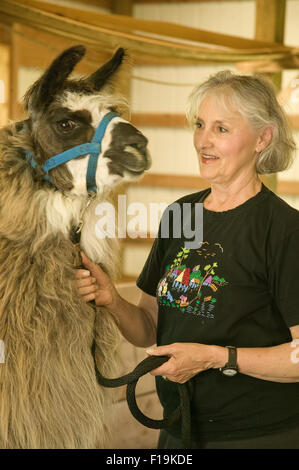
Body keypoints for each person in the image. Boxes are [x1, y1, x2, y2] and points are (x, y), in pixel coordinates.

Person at [75, 71, 299, 449]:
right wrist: (111, 299)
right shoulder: (182, 216)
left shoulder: (284, 230)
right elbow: (148, 328)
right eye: (200, 125)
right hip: (180, 431)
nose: (203, 141)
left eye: (222, 129)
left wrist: (216, 358)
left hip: (258, 436)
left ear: (263, 138)